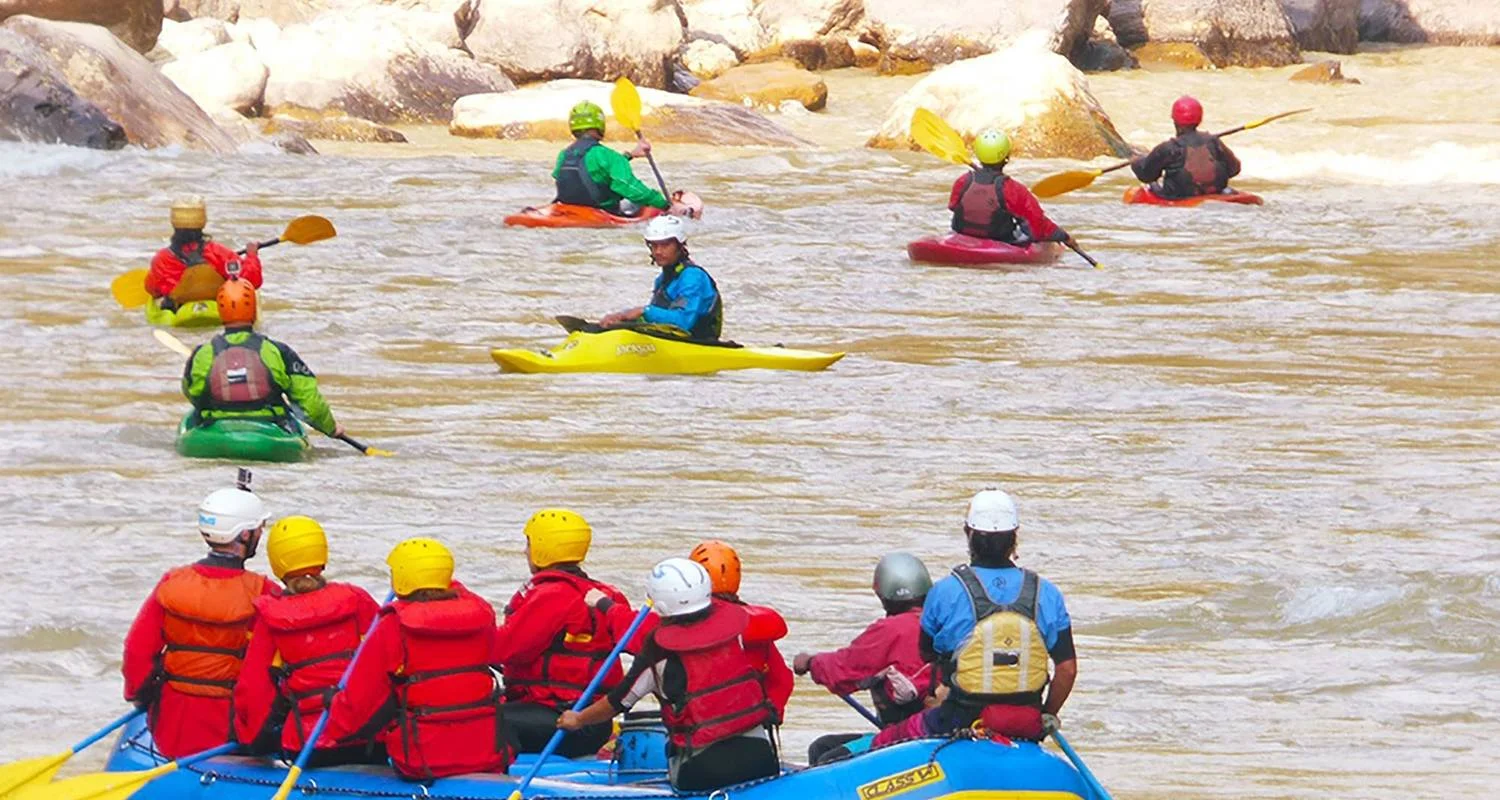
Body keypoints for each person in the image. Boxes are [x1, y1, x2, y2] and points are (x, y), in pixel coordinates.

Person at [871, 488, 1076, 748]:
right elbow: (1067, 669)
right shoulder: (1047, 593)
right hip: (1027, 722)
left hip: (958, 718)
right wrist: (1047, 713)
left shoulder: (945, 591)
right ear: (1014, 538)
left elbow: (928, 654)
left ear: (969, 534)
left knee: (884, 740)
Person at [558, 558, 779, 792]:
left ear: (660, 605)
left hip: (705, 770)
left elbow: (618, 702)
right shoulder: (735, 633)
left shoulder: (657, 653)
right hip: (761, 758)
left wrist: (578, 719)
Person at [320, 538, 511, 780]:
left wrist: (334, 708)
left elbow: (360, 703)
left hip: (422, 759)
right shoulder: (481, 618)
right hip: (488, 753)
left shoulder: (393, 625)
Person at [122, 480, 278, 758]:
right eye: (258, 529)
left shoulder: (171, 583)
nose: (260, 535)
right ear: (244, 534)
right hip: (232, 733)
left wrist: (140, 698)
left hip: (172, 729)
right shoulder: (265, 594)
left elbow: (137, 652)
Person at [232, 516, 383, 766]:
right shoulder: (357, 600)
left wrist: (252, 742)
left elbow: (253, 690)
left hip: (306, 745)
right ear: (322, 556)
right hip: (369, 740)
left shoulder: (271, 618)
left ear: (277, 564)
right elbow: (385, 664)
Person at [493, 509, 636, 757]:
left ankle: (489, 778)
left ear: (542, 548)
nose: (525, 551)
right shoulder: (603, 593)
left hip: (567, 720)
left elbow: (506, 649)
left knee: (479, 719)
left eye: (528, 543)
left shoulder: (552, 596)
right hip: (590, 717)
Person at [794, 552, 934, 764]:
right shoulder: (940, 620)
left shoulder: (889, 630)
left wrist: (810, 663)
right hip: (937, 724)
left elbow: (843, 668)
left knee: (823, 754)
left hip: (909, 733)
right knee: (825, 744)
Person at [181, 278, 343, 440]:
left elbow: (192, 393)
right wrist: (331, 428)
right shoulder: (277, 351)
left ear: (220, 310)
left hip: (216, 426)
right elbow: (310, 405)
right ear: (253, 309)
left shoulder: (203, 353)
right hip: (270, 428)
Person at [688, 540, 794, 720]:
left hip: (701, 729)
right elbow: (782, 680)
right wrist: (773, 709)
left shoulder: (683, 627)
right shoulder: (759, 631)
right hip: (754, 723)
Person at [554, 101, 695, 217]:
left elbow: (592, 170)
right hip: (602, 213)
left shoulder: (564, 154)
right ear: (600, 125)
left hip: (566, 209)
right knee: (639, 203)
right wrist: (664, 204)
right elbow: (630, 188)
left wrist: (630, 155)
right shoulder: (607, 156)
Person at [597, 216, 722, 341]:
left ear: (679, 246)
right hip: (673, 342)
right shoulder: (662, 279)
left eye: (665, 245)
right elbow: (657, 322)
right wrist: (621, 317)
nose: (658, 251)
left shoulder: (693, 277)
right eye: (654, 246)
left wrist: (644, 311)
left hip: (699, 344)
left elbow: (683, 322)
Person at [949, 130, 1073, 248]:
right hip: (1000, 240)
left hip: (962, 235)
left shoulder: (962, 181)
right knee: (1025, 230)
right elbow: (1038, 226)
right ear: (1006, 157)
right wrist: (1063, 236)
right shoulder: (1013, 189)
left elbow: (953, 206)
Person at [145, 196, 263, 312]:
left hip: (179, 312)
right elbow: (251, 280)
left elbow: (152, 290)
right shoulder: (218, 252)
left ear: (173, 222)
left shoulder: (161, 259)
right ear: (203, 221)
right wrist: (251, 256)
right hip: (216, 309)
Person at [1131, 95, 1241, 199]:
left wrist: (1135, 161)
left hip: (1180, 197)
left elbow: (1146, 175)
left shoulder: (1169, 148)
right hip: (1215, 192)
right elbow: (1234, 169)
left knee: (1151, 185)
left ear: (1174, 120)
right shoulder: (1213, 141)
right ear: (1200, 119)